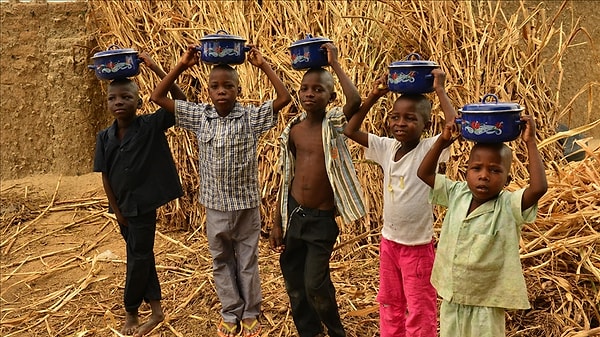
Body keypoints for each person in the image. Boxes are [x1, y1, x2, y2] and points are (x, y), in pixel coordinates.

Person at [150, 44, 291, 337]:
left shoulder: (250, 118)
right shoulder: (200, 116)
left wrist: (262, 65)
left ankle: (251, 312)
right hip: (215, 207)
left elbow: (284, 98)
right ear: (208, 92)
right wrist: (182, 65)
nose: (221, 91)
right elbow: (157, 97)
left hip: (246, 206)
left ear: (238, 90)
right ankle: (230, 311)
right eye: (214, 86)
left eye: (228, 86)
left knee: (248, 261)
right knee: (221, 262)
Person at [343, 70, 457, 337]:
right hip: (389, 243)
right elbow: (350, 129)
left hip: (417, 248)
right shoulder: (386, 147)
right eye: (395, 117)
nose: (400, 123)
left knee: (420, 307)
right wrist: (373, 95)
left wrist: (439, 89)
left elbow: (454, 126)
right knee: (390, 301)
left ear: (426, 125)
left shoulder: (431, 147)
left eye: (410, 118)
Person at [416, 116, 548, 337]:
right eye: (476, 168)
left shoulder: (508, 206)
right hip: (452, 296)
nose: (484, 176)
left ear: (507, 179)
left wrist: (531, 142)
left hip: (486, 302)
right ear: (466, 171)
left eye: (495, 170)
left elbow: (538, 188)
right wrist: (441, 142)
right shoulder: (457, 194)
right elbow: (425, 173)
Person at [268, 43, 366, 337]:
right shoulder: (293, 130)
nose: (310, 94)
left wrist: (334, 63)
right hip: (294, 214)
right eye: (305, 89)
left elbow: (355, 101)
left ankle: (336, 331)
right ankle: (309, 332)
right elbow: (288, 178)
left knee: (315, 284)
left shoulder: (332, 125)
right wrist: (277, 222)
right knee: (295, 284)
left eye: (318, 90)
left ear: (330, 97)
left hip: (321, 221)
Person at [94, 52, 185, 337]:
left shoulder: (149, 126)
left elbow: (180, 105)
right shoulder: (104, 137)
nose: (119, 102)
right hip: (123, 210)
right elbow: (106, 176)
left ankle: (131, 311)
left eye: (126, 97)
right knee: (142, 256)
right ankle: (156, 310)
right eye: (113, 98)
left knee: (138, 258)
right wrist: (116, 210)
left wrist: (157, 68)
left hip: (143, 207)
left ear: (139, 102)